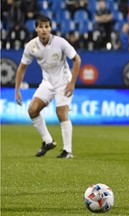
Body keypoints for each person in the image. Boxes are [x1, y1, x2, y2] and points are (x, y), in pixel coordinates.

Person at [15, 15, 81, 158]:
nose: (44, 30)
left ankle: (67, 151)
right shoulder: (31, 46)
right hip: (48, 82)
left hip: (64, 81)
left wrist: (72, 83)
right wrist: (17, 90)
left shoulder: (60, 42)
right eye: (41, 27)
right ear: (36, 29)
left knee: (61, 112)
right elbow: (21, 68)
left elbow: (77, 59)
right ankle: (48, 141)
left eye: (46, 26)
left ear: (50, 28)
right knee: (32, 110)